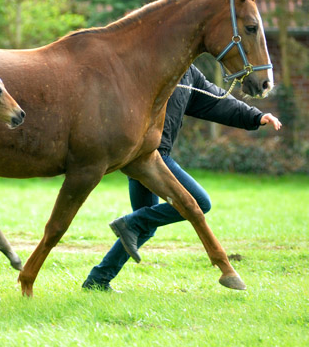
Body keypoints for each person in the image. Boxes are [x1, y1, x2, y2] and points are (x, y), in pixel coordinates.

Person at [82, 64, 282, 291]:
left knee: (144, 225)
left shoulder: (188, 73)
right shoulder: (152, 63)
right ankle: (129, 224)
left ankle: (98, 280)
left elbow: (216, 100)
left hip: (150, 156)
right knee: (199, 202)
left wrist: (255, 116)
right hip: (149, 156)